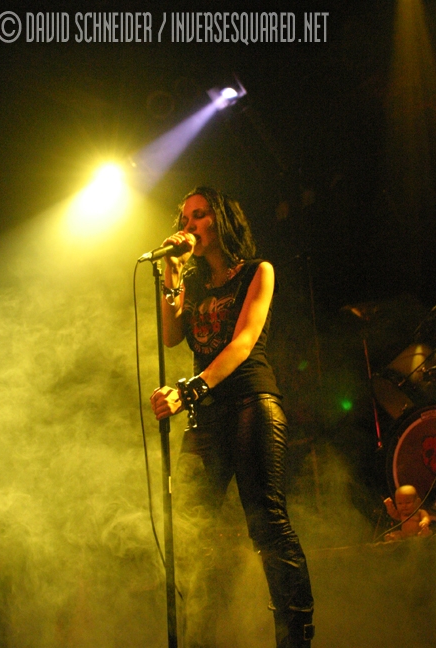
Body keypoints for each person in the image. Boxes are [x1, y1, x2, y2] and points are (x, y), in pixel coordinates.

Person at [150, 187, 314, 648]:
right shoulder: (194, 282)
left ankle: (296, 636)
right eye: (184, 218)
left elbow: (242, 345)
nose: (189, 225)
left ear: (220, 219)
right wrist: (172, 271)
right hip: (208, 414)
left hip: (250, 402)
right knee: (188, 524)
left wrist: (190, 388)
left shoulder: (258, 272)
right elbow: (170, 336)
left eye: (199, 215)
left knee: (267, 523)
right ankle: (200, 633)